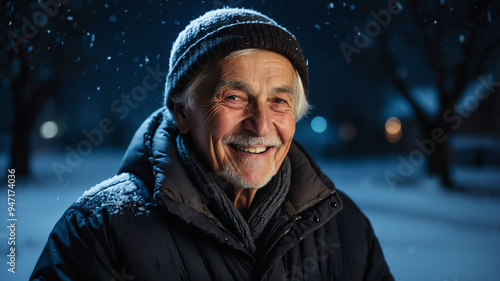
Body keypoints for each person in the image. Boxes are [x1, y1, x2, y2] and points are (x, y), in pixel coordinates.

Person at [31, 8, 394, 281]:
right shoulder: (99, 228)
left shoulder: (346, 226)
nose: (261, 125)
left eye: (279, 101)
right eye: (234, 97)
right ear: (182, 112)